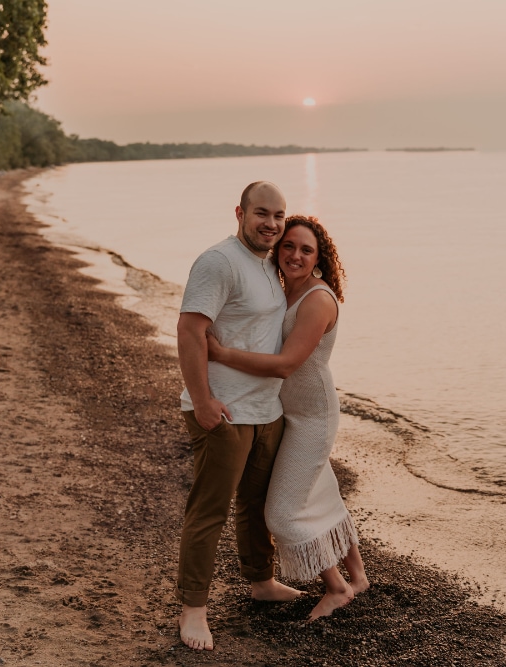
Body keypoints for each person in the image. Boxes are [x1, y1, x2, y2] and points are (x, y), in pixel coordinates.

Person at [207, 215, 369, 621]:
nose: (295, 255)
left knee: (280, 512)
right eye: (288, 246)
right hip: (289, 413)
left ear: (319, 258)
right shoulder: (284, 291)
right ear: (277, 250)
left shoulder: (316, 298)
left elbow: (285, 365)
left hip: (313, 418)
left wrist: (223, 354)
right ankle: (359, 575)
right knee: (320, 493)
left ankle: (336, 589)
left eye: (306, 249)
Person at [175, 181, 302, 651]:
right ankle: (193, 610)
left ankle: (259, 581)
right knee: (209, 511)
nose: (271, 223)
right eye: (262, 213)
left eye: (279, 215)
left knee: (254, 506)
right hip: (224, 410)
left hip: (266, 408)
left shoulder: (268, 264)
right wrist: (203, 400)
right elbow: (190, 332)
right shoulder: (219, 262)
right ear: (240, 213)